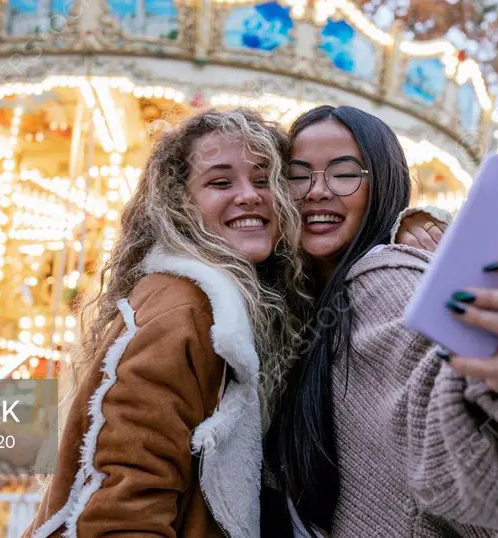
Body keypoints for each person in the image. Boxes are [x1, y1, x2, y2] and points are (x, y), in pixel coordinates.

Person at [265, 105, 498, 537]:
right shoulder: (301, 304)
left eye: (344, 173)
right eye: (298, 175)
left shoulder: (383, 278)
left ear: (383, 185)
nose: (317, 190)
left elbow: (429, 372)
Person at [23, 109, 311, 538]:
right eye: (220, 182)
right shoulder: (187, 309)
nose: (250, 195)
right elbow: (124, 504)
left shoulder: (219, 304)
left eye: (264, 178)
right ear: (179, 203)